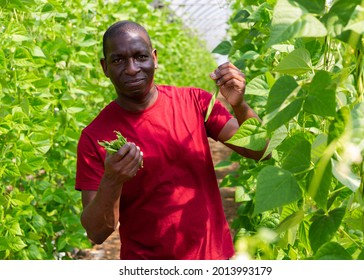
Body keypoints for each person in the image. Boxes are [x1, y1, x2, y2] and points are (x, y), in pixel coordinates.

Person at [75, 20, 269, 260]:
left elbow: (262, 151)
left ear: (154, 58)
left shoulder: (195, 101)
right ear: (105, 67)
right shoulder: (95, 137)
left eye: (140, 56)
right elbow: (96, 233)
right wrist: (112, 180)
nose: (132, 68)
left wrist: (239, 105)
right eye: (118, 60)